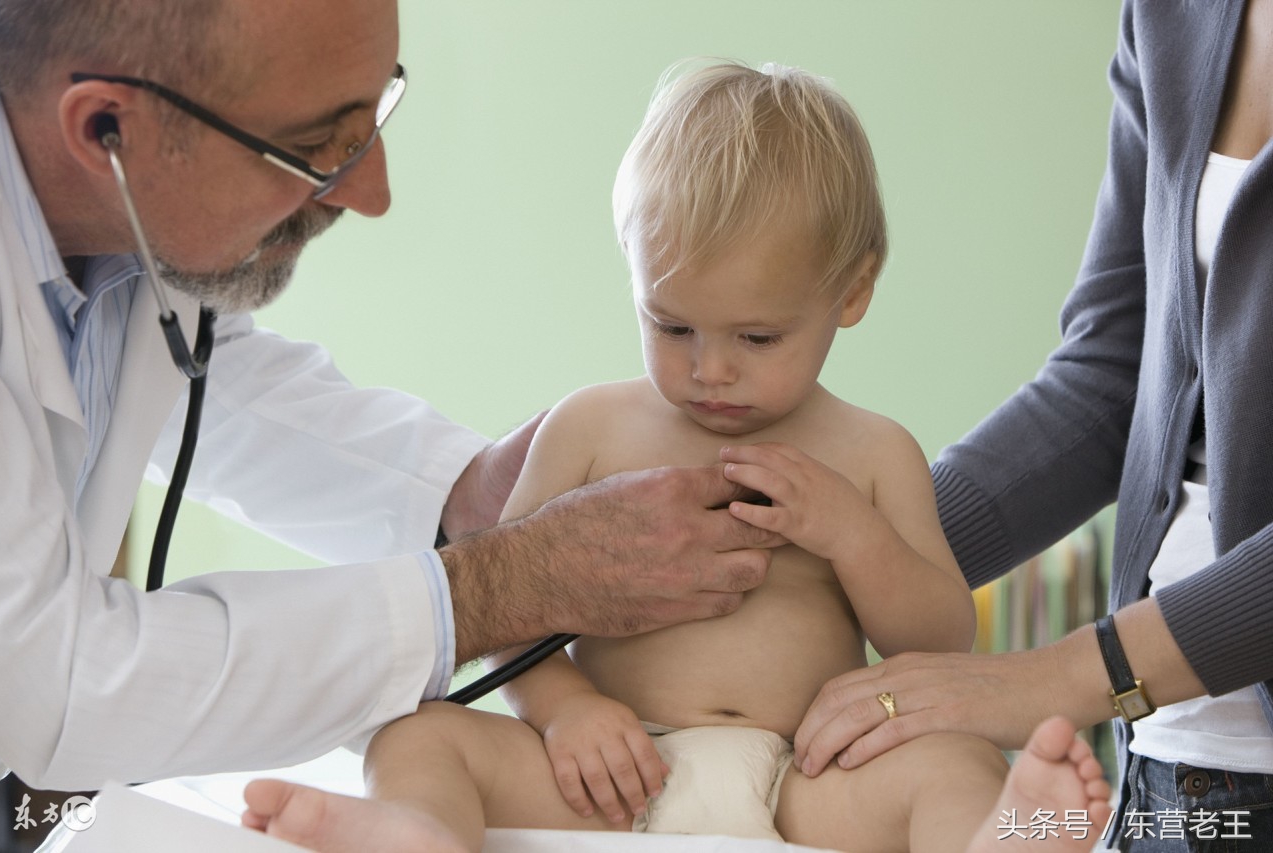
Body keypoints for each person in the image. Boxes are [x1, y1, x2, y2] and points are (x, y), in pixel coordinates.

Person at [243, 60, 1112, 853]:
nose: (710, 369)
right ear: (633, 270)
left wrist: (852, 534)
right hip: (614, 774)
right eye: (672, 325)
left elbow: (940, 641)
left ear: (851, 292)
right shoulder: (590, 428)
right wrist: (570, 711)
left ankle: (1002, 836)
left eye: (758, 335)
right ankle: (419, 832)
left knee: (952, 759)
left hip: (802, 776)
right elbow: (502, 613)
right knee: (416, 732)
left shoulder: (873, 451)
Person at [0, 0, 779, 800]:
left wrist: (464, 492)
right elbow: (56, 684)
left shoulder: (128, 242)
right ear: (104, 132)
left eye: (370, 122)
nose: (372, 192)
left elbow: (210, 381)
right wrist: (500, 586)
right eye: (313, 148)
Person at [765, 0, 1273, 849]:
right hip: (1168, 762)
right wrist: (837, 559)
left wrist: (1067, 675)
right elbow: (1113, 374)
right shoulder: (1171, 14)